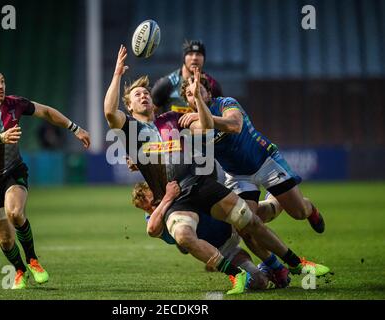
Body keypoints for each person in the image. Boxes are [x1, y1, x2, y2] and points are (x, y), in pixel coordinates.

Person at [104, 46, 329, 294]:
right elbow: (108, 112)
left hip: (201, 184)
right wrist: (116, 74)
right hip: (177, 200)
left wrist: (197, 106)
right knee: (183, 237)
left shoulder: (171, 119)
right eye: (137, 95)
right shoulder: (131, 130)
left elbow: (209, 126)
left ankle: (297, 265)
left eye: (146, 92)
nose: (144, 96)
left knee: (250, 222)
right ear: (129, 105)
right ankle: (237, 275)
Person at [179, 73, 327, 278]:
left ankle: (309, 208)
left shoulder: (226, 103)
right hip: (238, 176)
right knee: (246, 226)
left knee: (299, 212)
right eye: (190, 93)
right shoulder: (191, 124)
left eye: (199, 90)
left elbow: (234, 126)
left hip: (265, 161)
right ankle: (274, 266)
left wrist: (201, 114)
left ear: (209, 92)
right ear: (186, 100)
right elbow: (202, 129)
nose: (195, 94)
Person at [0, 69, 90, 289]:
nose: (1, 86)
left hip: (14, 171)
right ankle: (20, 270)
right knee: (5, 238)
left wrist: (75, 128)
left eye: (3, 81)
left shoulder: (15, 103)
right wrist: (0, 137)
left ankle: (33, 260)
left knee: (15, 213)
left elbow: (46, 112)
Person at [132, 180, 277, 291]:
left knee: (272, 208)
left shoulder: (179, 190)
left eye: (153, 202)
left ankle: (279, 188)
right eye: (148, 209)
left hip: (230, 222)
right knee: (258, 282)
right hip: (225, 250)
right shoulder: (155, 219)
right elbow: (151, 229)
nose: (153, 208)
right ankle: (264, 268)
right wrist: (167, 198)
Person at [151, 40, 223, 115]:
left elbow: (222, 115)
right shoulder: (166, 84)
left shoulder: (212, 85)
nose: (194, 58)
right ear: (184, 58)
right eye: (190, 54)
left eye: (198, 54)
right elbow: (149, 114)